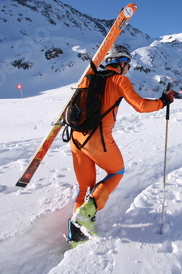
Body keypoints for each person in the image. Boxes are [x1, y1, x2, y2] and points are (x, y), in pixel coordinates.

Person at [67, 44, 174, 246]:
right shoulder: (119, 80)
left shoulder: (88, 77)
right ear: (122, 63)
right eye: (128, 64)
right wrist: (163, 101)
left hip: (76, 139)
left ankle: (76, 236)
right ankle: (90, 210)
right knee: (116, 171)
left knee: (85, 187)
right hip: (97, 139)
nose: (129, 68)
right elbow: (141, 106)